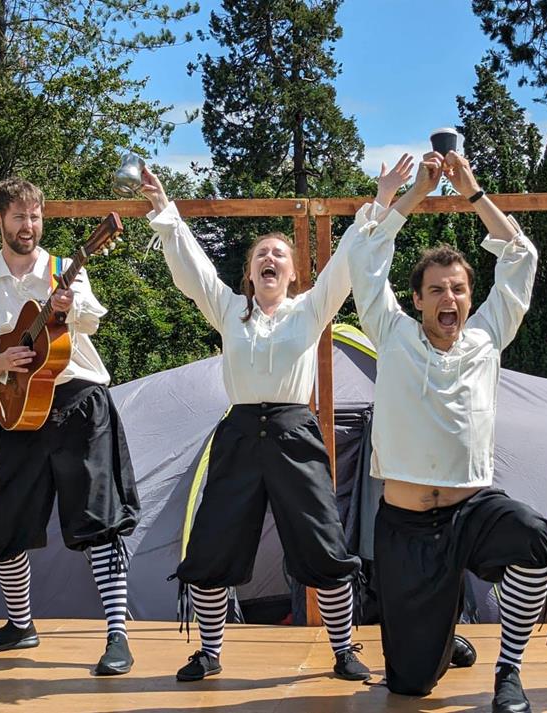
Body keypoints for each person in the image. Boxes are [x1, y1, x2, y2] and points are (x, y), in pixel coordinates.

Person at [137, 160, 414, 683]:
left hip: (294, 435)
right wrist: (164, 210)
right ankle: (209, 653)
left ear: (291, 274)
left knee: (322, 544)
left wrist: (380, 201)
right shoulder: (227, 309)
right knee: (213, 544)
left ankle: (342, 650)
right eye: (262, 253)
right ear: (250, 272)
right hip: (239, 436)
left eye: (280, 255)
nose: (270, 257)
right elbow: (193, 270)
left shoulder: (310, 310)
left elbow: (349, 263)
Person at [347, 150, 547, 713]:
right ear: (416, 299)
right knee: (411, 685)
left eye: (459, 289)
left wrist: (472, 191)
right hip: (406, 524)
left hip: (472, 512)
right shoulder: (391, 333)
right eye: (437, 290)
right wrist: (411, 194)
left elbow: (521, 255)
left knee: (534, 537)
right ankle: (439, 640)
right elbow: (367, 257)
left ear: (471, 297)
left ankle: (509, 670)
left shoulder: (488, 336)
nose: (449, 299)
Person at [0, 178, 140, 676]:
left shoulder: (64, 270)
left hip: (80, 405)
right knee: (7, 524)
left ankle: (117, 636)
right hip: (20, 415)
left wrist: (67, 307)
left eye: (35, 217)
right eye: (18, 217)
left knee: (99, 520)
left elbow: (94, 320)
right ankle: (20, 625)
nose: (29, 226)